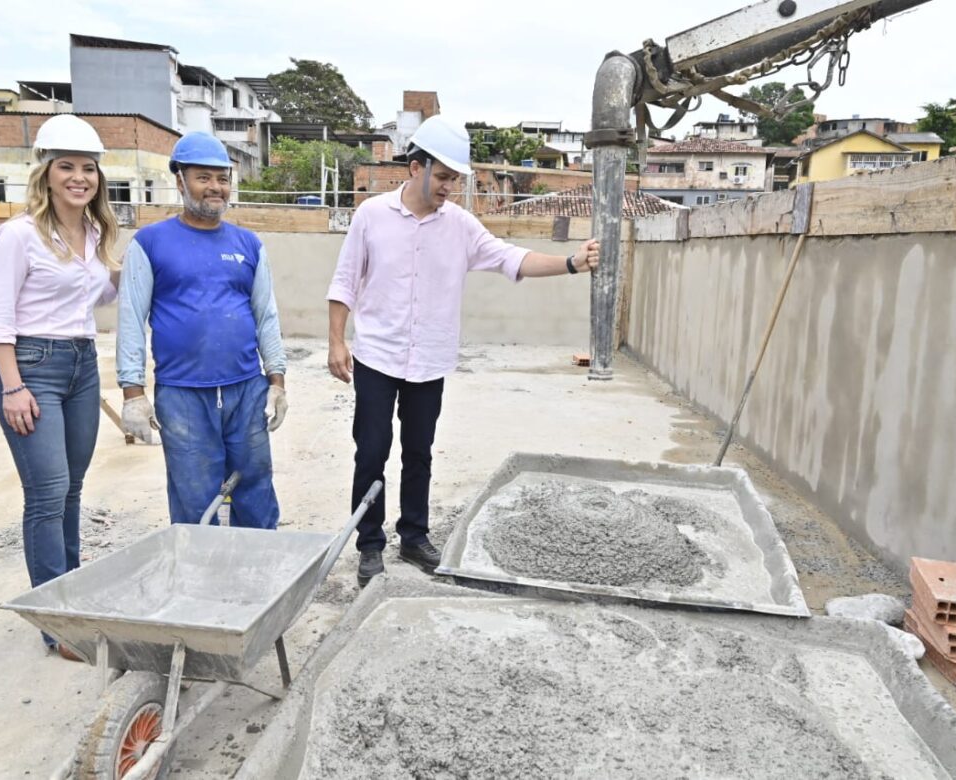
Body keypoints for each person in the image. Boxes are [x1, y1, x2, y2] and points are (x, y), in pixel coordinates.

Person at [327, 115, 600, 586]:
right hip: (377, 356)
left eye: (456, 178)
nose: (450, 186)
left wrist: (571, 263)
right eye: (445, 176)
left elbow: (511, 259)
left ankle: (413, 537)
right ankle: (369, 544)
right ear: (416, 168)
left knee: (420, 453)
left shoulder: (461, 226)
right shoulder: (371, 216)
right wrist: (336, 340)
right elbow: (345, 282)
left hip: (429, 361)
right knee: (370, 452)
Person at [0, 114, 120, 659]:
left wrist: (120, 270)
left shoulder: (93, 233)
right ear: (46, 172)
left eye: (88, 169)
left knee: (71, 490)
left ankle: (74, 601)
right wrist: (13, 387)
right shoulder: (17, 235)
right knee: (45, 494)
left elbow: (99, 301)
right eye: (67, 166)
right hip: (31, 364)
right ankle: (57, 626)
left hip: (82, 362)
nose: (79, 177)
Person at [117, 132, 287, 529]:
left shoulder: (248, 244)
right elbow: (130, 319)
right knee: (194, 497)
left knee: (255, 486)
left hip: (246, 389)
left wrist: (276, 382)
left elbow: (266, 316)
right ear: (180, 180)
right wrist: (133, 393)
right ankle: (200, 580)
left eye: (222, 178)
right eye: (203, 177)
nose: (216, 188)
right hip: (182, 395)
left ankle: (262, 575)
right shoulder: (150, 243)